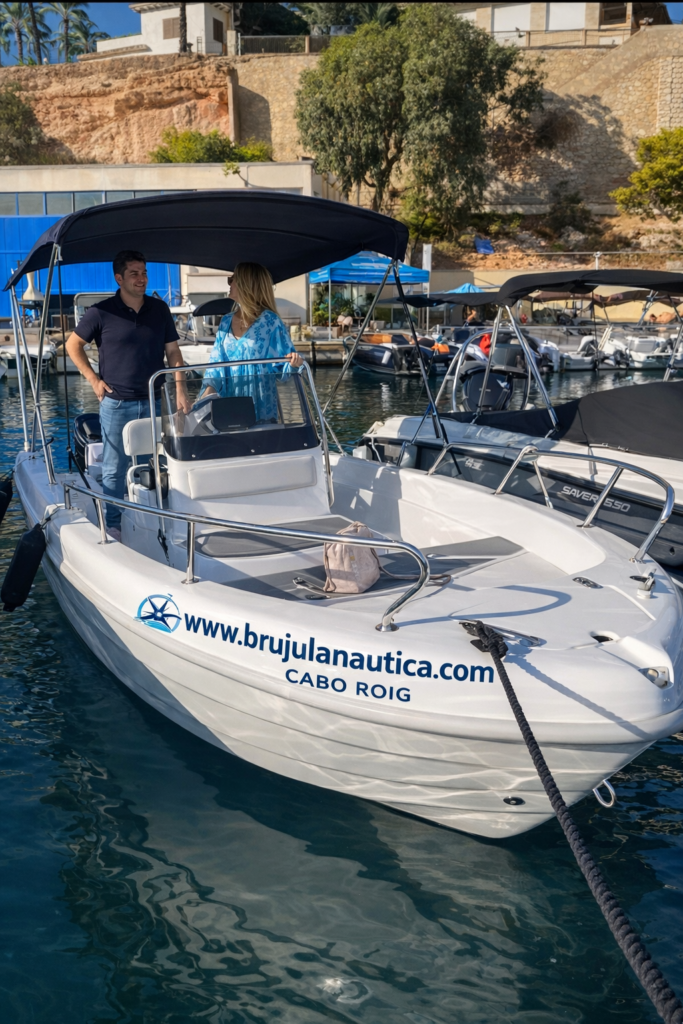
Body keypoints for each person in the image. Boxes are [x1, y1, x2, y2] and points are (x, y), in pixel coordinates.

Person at [66, 250, 190, 542]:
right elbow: (73, 346)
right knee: (113, 469)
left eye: (144, 272)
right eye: (134, 273)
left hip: (154, 401)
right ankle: (113, 525)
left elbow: (173, 353)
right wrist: (94, 380)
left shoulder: (159, 310)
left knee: (152, 466)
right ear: (119, 278)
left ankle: (149, 522)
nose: (141, 278)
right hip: (116, 402)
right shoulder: (100, 312)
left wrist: (181, 389)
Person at [201, 262, 302, 420]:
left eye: (232, 279)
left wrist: (293, 364)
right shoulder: (226, 322)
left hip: (261, 409)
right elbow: (215, 363)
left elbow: (283, 370)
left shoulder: (271, 322)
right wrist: (207, 392)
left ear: (245, 284)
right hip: (230, 407)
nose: (229, 283)